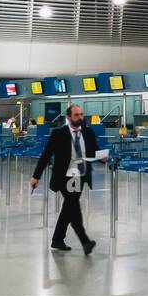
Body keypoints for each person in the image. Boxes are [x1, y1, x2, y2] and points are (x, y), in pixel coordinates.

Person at [31, 104, 102, 255]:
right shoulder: (59, 134)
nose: (80, 118)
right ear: (68, 117)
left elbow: (94, 151)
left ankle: (57, 239)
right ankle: (85, 241)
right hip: (66, 177)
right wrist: (36, 176)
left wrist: (106, 158)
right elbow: (46, 155)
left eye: (82, 114)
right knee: (73, 207)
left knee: (69, 208)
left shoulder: (88, 132)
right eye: (76, 115)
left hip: (81, 176)